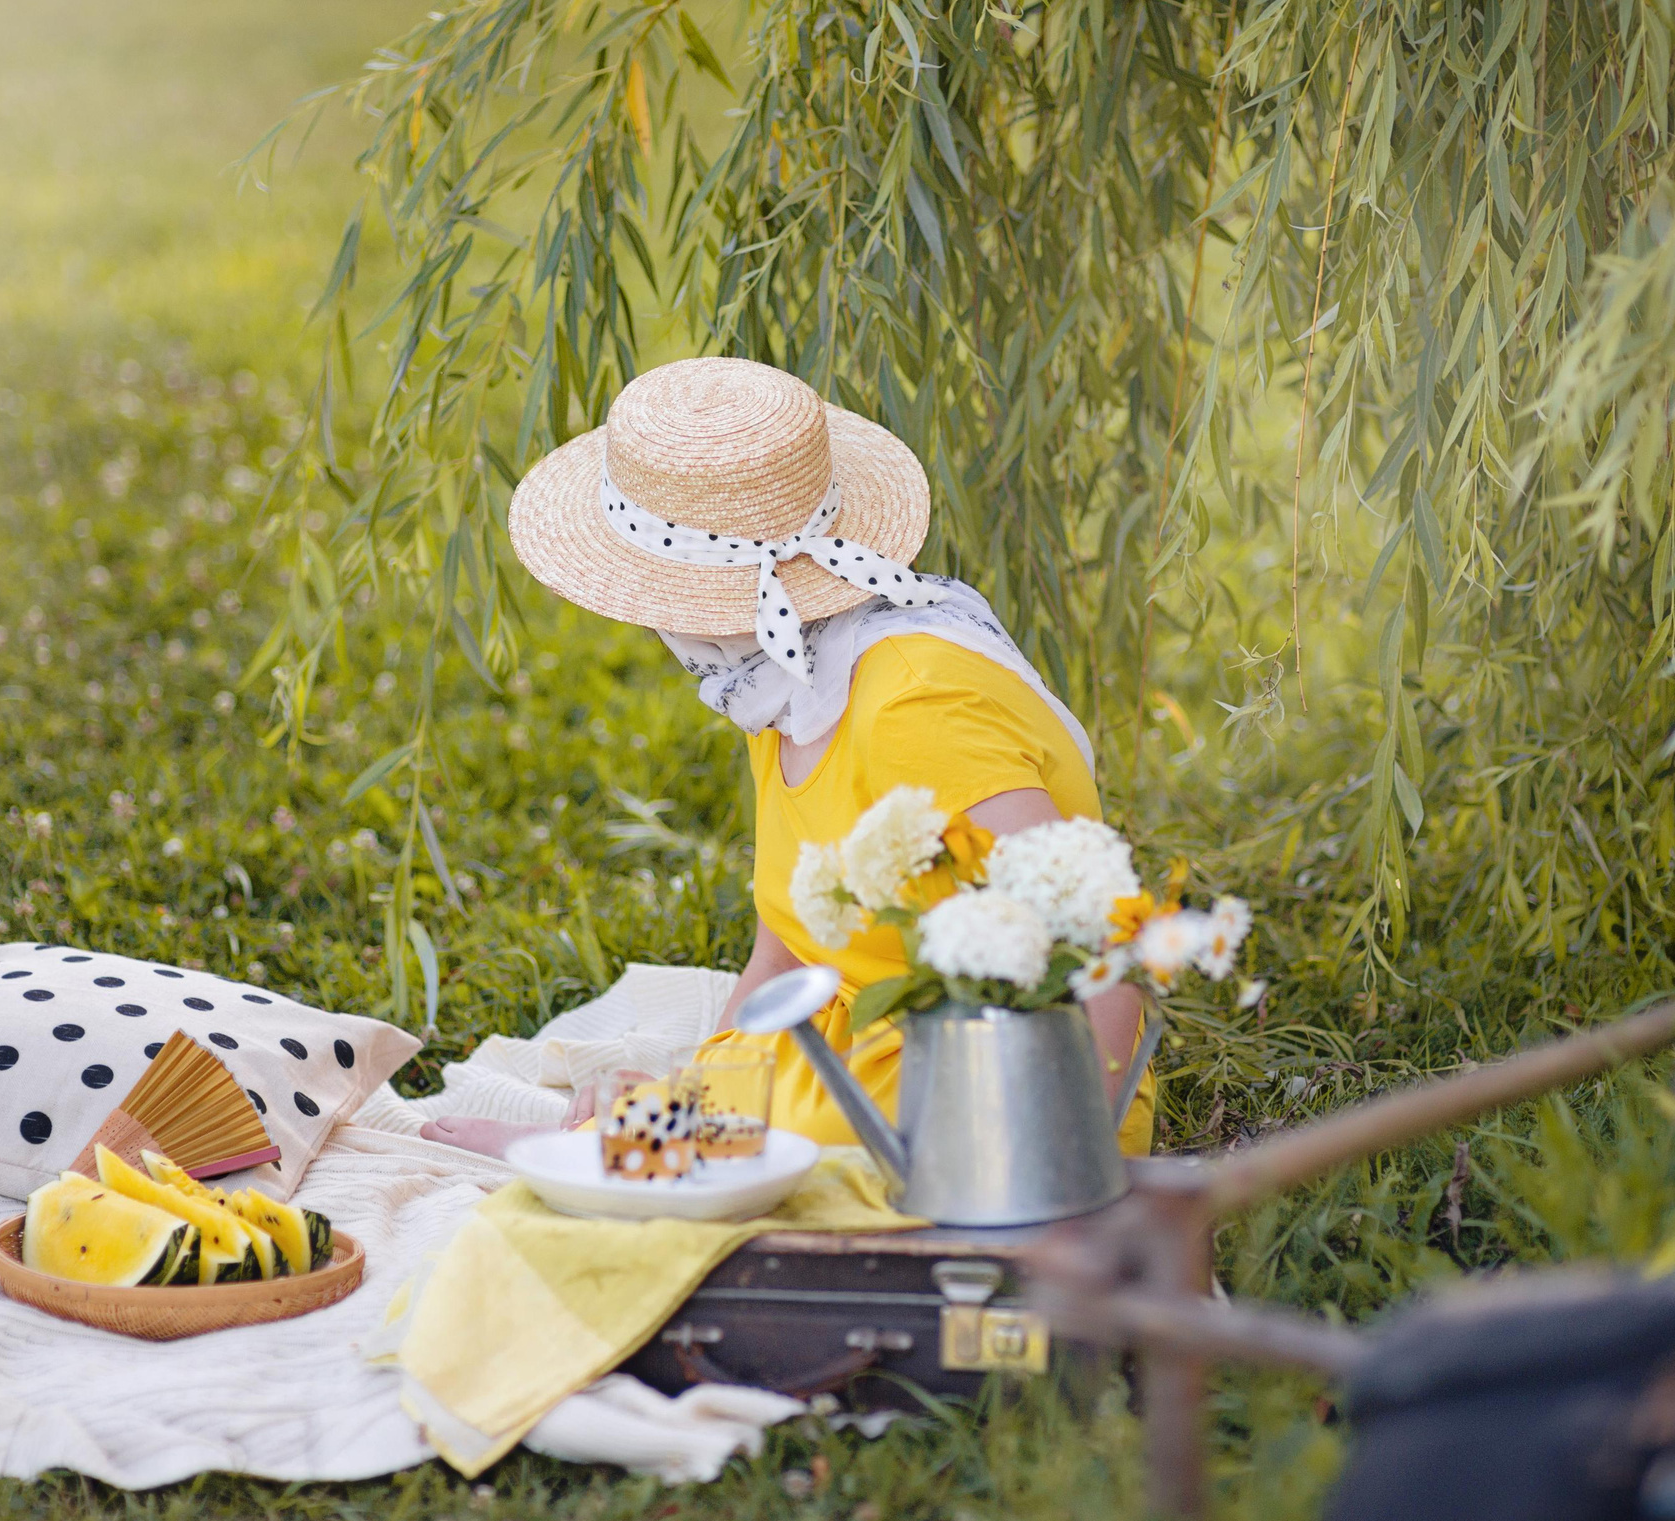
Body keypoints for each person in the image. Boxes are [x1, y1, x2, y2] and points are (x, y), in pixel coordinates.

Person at [417, 356, 1154, 1159]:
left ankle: (613, 1150)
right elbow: (786, 947)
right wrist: (704, 1084)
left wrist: (1074, 1165)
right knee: (728, 1104)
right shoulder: (782, 686)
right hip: (865, 1029)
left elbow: (1097, 947)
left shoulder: (915, 704)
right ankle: (642, 1140)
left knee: (777, 1140)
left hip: (1017, 1073)